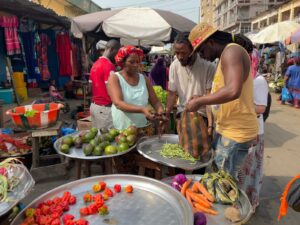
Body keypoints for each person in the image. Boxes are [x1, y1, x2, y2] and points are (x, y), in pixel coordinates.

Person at [186, 23, 258, 181]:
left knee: (222, 187)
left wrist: (201, 101)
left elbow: (233, 90)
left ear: (211, 42)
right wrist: (200, 97)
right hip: (226, 130)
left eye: (201, 50)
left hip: (235, 133)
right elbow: (223, 92)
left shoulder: (231, 52)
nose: (201, 56)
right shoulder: (224, 56)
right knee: (214, 181)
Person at [164, 32, 216, 135]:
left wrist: (210, 125)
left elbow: (209, 98)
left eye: (183, 53)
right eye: (177, 53)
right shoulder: (174, 66)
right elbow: (171, 94)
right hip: (182, 115)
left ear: (193, 49)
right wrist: (165, 115)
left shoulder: (208, 66)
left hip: (201, 117)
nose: (179, 57)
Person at [107, 46, 166, 130]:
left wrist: (160, 111)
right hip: (124, 129)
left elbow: (155, 101)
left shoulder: (144, 79)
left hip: (143, 127)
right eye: (131, 62)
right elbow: (118, 103)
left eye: (138, 62)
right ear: (122, 62)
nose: (136, 65)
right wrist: (142, 109)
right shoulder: (115, 78)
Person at [239, 66, 269, 211]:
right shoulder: (242, 79)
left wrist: (238, 103)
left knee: (251, 170)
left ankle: (250, 203)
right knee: (243, 170)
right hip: (243, 130)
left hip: (255, 132)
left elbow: (261, 108)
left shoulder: (259, 80)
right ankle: (241, 201)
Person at [89, 39, 121, 130]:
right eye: (116, 52)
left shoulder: (95, 64)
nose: (117, 56)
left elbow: (89, 88)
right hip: (105, 109)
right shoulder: (109, 65)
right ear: (111, 49)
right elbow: (111, 89)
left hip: (94, 107)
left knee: (97, 138)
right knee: (108, 139)